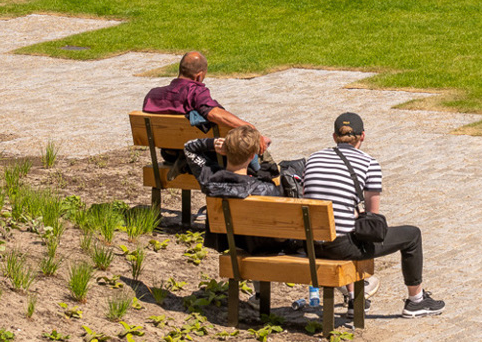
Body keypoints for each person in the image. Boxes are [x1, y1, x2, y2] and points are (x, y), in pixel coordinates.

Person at [303, 112, 446, 317]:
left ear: (334, 137)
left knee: (344, 227)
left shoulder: (314, 158)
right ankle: (416, 300)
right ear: (363, 136)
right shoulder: (368, 163)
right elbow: (372, 219)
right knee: (411, 235)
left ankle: (355, 299)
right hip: (340, 247)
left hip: (311, 244)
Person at [175, 126, 289, 255]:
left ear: (224, 151)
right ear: (252, 156)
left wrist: (213, 143)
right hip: (263, 250)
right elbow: (282, 233)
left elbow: (189, 148)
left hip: (229, 245)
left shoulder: (210, 179)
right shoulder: (266, 189)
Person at [143, 52, 267, 149]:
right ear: (199, 76)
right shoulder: (195, 92)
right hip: (202, 154)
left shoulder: (152, 94)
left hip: (169, 154)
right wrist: (251, 128)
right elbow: (214, 114)